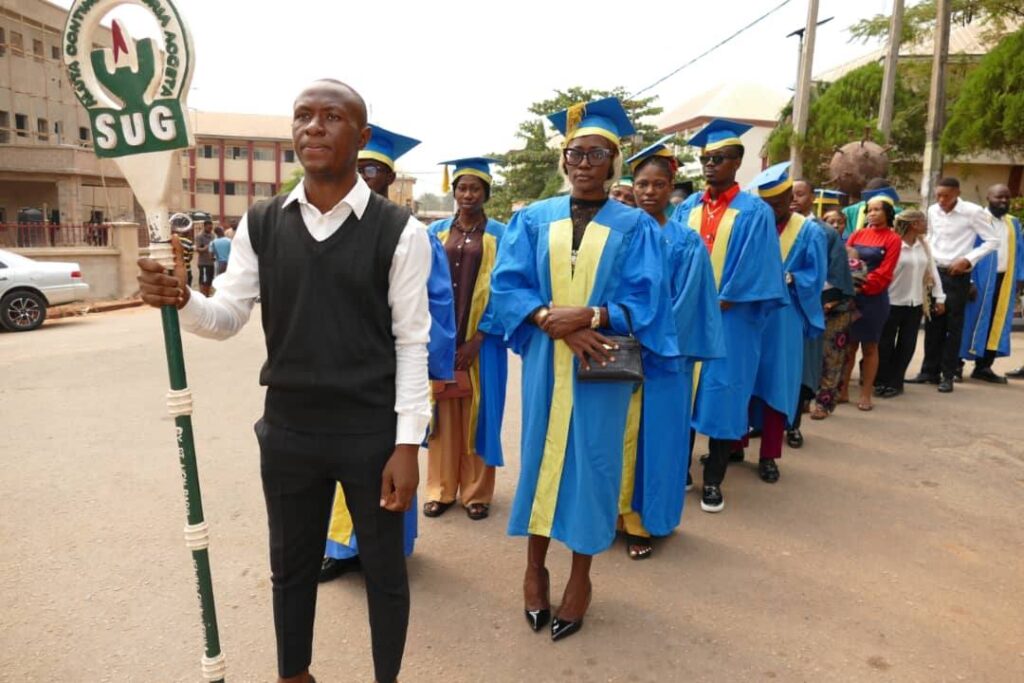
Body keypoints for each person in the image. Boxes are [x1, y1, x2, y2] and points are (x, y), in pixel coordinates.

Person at [137, 79, 430, 683]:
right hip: (290, 431)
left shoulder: (399, 232)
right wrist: (182, 298)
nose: (314, 127)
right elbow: (226, 317)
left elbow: (412, 344)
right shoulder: (262, 224)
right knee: (290, 568)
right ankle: (293, 675)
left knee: (383, 572)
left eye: (332, 117)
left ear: (362, 136)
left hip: (370, 434)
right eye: (303, 116)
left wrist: (407, 444)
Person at [489, 97, 678, 640]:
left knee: (594, 468)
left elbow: (648, 300)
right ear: (564, 159)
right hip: (551, 362)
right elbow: (508, 285)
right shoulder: (532, 218)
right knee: (540, 461)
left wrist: (593, 314)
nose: (585, 161)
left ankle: (580, 579)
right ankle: (533, 568)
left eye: (598, 153)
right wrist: (554, 319)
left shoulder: (636, 226)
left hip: (601, 366)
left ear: (613, 163)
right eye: (577, 151)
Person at [320, 124, 457, 583]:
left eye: (376, 170)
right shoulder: (324, 227)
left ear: (390, 179)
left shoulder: (412, 235)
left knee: (391, 454)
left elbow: (437, 305)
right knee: (337, 454)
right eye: (360, 168)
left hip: (394, 366)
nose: (367, 176)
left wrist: (435, 369)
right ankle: (340, 547)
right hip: (338, 368)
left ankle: (387, 546)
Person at [618, 137, 723, 559]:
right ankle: (614, 513)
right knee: (615, 438)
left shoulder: (685, 241)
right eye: (641, 184)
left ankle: (646, 523)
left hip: (665, 360)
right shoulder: (618, 234)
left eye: (657, 184)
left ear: (671, 186)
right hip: (620, 354)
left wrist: (647, 341)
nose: (648, 192)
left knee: (658, 442)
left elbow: (685, 304)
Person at [673, 119, 785, 511]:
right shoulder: (686, 207)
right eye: (705, 158)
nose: (709, 164)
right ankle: (679, 470)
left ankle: (714, 480)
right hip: (688, 318)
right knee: (680, 393)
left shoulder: (755, 212)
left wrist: (723, 296)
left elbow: (758, 267)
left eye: (718, 158)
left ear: (737, 162)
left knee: (725, 397)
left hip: (731, 319)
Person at [423, 157, 508, 521]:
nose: (468, 194)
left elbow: (506, 289)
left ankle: (476, 493)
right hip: (441, 337)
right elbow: (424, 285)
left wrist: (478, 337)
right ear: (454, 191)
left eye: (475, 188)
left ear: (486, 192)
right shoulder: (436, 232)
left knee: (480, 412)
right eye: (462, 187)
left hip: (483, 342)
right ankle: (440, 489)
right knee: (442, 411)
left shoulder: (501, 235)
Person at [745, 164, 826, 481]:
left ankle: (769, 455)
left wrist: (795, 278)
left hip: (784, 316)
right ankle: (734, 444)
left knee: (777, 383)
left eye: (780, 202)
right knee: (744, 380)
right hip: (750, 312)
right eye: (767, 203)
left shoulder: (808, 231)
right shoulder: (750, 226)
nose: (773, 209)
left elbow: (815, 275)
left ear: (790, 198)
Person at [909, 177, 1001, 392]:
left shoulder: (972, 211)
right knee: (932, 322)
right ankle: (928, 371)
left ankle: (948, 374)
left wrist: (968, 259)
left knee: (953, 326)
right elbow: (932, 236)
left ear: (957, 193)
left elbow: (992, 240)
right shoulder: (932, 210)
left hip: (956, 273)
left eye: (947, 196)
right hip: (934, 271)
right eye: (938, 195)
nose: (942, 200)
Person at [789, 180, 851, 430]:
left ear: (812, 198)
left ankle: (793, 426)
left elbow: (834, 273)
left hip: (807, 310)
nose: (794, 198)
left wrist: (818, 303)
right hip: (777, 310)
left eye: (800, 194)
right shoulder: (775, 227)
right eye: (790, 193)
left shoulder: (824, 232)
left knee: (802, 370)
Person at [842, 191, 903, 411]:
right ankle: (843, 391)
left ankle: (866, 394)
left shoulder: (893, 239)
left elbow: (886, 272)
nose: (872, 213)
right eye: (870, 210)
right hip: (852, 296)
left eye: (877, 209)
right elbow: (845, 260)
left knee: (869, 347)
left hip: (874, 298)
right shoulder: (856, 235)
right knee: (848, 346)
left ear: (888, 213)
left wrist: (862, 286)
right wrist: (850, 286)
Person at [875, 210, 945, 397]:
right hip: (891, 301)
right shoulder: (893, 244)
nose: (926, 224)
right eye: (923, 221)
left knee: (907, 344)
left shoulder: (924, 245)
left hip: (915, 303)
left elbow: (932, 271)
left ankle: (896, 382)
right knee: (885, 343)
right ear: (914, 224)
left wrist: (940, 297)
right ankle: (880, 379)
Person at [960, 184, 1024, 383]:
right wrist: (968, 279)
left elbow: (1020, 252)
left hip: (1004, 280)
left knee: (996, 323)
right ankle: (955, 365)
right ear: (988, 197)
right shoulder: (977, 219)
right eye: (999, 197)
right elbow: (965, 247)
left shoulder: (1012, 223)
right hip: (979, 279)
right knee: (968, 321)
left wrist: (1020, 279)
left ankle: (983, 366)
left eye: (1007, 197)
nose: (1004, 201)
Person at [810, 208, 857, 418]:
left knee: (832, 357)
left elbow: (845, 277)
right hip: (811, 304)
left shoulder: (846, 248)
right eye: (830, 221)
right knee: (810, 356)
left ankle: (825, 403)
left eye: (839, 222)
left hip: (836, 308)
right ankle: (805, 398)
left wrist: (830, 301)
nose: (835, 226)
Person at [195, 219, 216, 297]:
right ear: (205, 227)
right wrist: (207, 247)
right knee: (203, 280)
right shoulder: (199, 236)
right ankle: (202, 296)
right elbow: (198, 249)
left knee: (210, 279)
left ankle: (207, 295)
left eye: (211, 228)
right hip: (203, 263)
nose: (210, 229)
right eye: (209, 228)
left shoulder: (213, 236)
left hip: (211, 262)